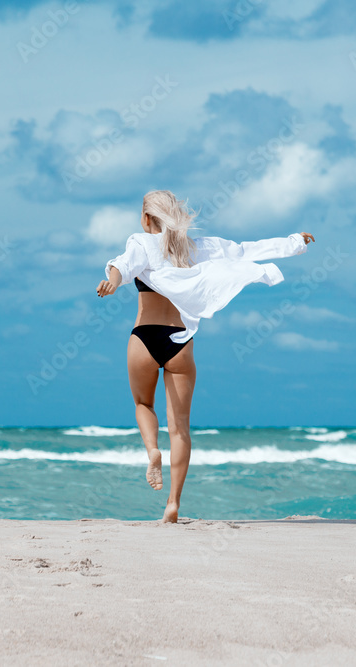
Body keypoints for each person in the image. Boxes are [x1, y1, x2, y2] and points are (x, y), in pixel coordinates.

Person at [95, 190, 314, 522]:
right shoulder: (199, 247)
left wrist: (111, 283)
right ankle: (173, 504)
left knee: (144, 405)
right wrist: (295, 242)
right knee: (180, 428)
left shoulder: (140, 243)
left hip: (145, 337)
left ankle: (152, 449)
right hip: (180, 342)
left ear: (145, 218)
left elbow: (121, 267)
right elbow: (245, 251)